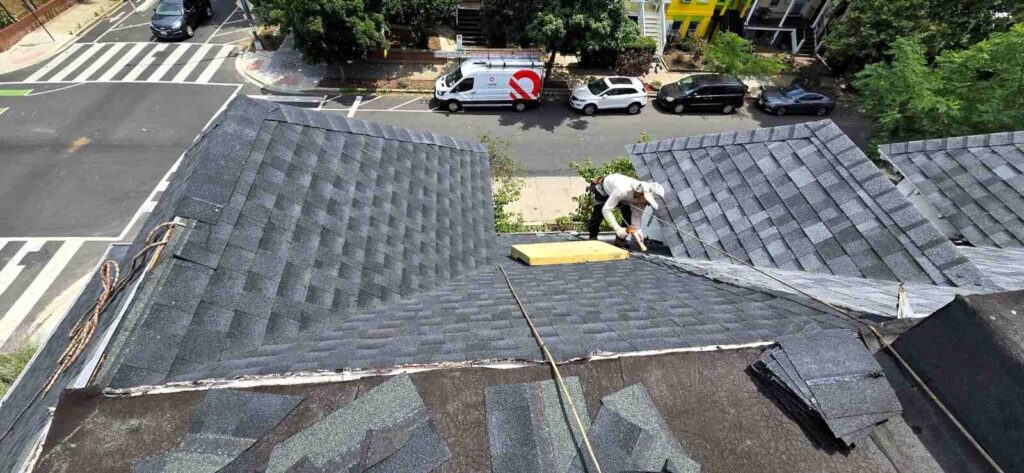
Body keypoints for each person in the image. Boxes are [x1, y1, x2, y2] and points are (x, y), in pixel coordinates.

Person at [587, 173, 665, 246]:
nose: (647, 204)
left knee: (628, 215)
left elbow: (636, 216)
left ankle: (620, 239)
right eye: (648, 201)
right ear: (643, 193)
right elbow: (606, 210)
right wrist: (617, 228)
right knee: (598, 214)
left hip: (624, 199)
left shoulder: (641, 199)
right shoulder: (623, 190)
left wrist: (638, 231)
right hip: (604, 190)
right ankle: (592, 236)